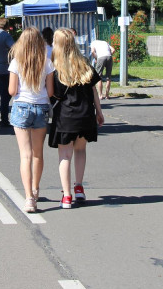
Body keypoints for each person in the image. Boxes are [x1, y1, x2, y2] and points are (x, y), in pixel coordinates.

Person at [49, 28, 104, 209]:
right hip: (86, 113)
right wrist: (99, 111)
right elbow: (94, 89)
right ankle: (79, 187)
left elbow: (53, 94)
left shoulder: (55, 66)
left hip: (65, 116)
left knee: (65, 155)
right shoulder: (84, 63)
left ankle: (66, 196)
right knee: (80, 151)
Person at [8, 27, 56, 212]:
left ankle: (29, 198)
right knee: (38, 153)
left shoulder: (16, 62)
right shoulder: (47, 62)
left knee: (25, 155)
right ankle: (36, 188)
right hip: (41, 107)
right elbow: (50, 92)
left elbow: (12, 91)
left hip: (21, 107)